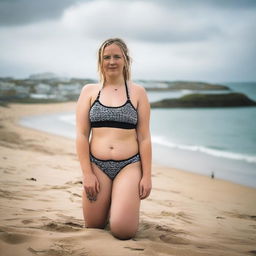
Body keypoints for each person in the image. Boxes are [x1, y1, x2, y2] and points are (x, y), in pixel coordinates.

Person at [76, 38, 152, 240]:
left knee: (123, 231)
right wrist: (87, 174)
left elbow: (144, 137)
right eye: (106, 57)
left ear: (126, 60)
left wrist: (147, 176)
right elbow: (82, 135)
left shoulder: (138, 93)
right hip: (97, 166)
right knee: (93, 226)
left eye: (117, 56)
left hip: (129, 166)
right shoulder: (89, 91)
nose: (112, 61)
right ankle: (111, 201)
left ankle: (119, 203)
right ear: (100, 62)